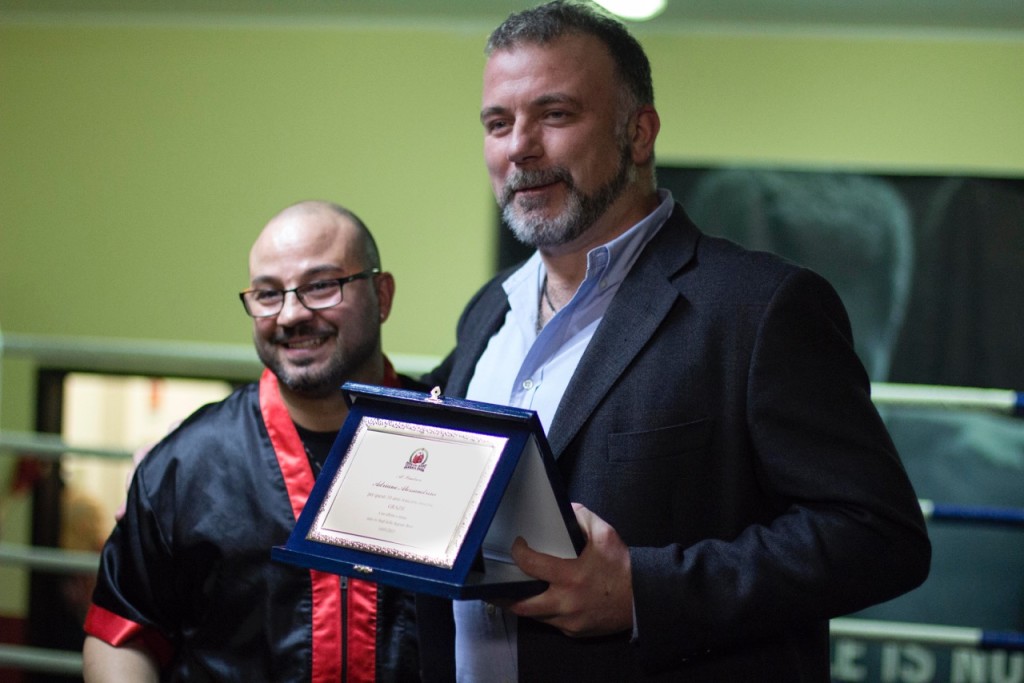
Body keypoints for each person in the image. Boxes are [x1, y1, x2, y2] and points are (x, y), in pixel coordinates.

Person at [416, 2, 931, 681]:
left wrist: (644, 591)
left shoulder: (760, 307)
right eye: (497, 122)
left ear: (639, 132)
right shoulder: (487, 311)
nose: (520, 146)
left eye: (557, 114)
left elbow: (879, 535)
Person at [82, 200, 421, 682]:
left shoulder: (451, 447)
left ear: (381, 295)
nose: (290, 315)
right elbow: (122, 631)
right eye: (267, 294)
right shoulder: (186, 464)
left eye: (321, 286)